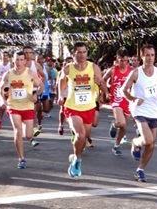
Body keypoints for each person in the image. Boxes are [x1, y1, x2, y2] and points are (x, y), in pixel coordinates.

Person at [58, 42, 107, 177]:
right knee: (80, 134)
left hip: (89, 107)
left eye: (84, 52)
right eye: (78, 52)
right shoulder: (68, 68)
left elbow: (103, 85)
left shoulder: (94, 68)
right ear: (74, 54)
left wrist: (102, 86)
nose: (81, 55)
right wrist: (60, 96)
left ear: (87, 53)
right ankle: (77, 161)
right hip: (72, 107)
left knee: (83, 138)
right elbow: (61, 82)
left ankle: (75, 155)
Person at [122, 44, 157, 182]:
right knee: (147, 140)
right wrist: (133, 99)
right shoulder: (136, 73)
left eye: (152, 55)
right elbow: (124, 90)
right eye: (147, 55)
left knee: (151, 144)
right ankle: (136, 142)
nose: (150, 58)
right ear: (142, 56)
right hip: (139, 110)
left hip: (154, 111)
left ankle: (140, 169)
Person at [0, 51, 44, 168]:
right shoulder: (8, 74)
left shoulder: (31, 73)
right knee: (18, 131)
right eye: (17, 60)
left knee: (28, 135)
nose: (19, 62)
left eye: (21, 60)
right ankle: (21, 159)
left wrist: (36, 94)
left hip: (27, 106)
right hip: (13, 106)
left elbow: (40, 86)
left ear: (25, 61)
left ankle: (31, 137)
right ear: (13, 60)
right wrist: (3, 101)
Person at [103, 49, 132, 156]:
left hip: (127, 100)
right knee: (121, 123)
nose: (123, 63)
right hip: (116, 100)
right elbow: (102, 80)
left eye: (125, 60)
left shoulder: (131, 71)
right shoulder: (112, 70)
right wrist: (106, 92)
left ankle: (116, 146)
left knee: (124, 127)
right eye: (121, 60)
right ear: (117, 59)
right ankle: (115, 125)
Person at [56, 56, 73, 135]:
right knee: (62, 110)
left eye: (71, 61)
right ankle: (61, 125)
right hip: (65, 93)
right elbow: (58, 84)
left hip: (73, 94)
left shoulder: (75, 70)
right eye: (68, 61)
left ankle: (72, 127)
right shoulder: (62, 71)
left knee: (72, 111)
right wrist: (59, 96)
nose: (70, 63)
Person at [0, 50, 11, 130]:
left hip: (6, 89)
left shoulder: (10, 65)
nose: (4, 57)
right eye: (3, 55)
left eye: (6, 55)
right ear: (0, 56)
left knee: (2, 106)